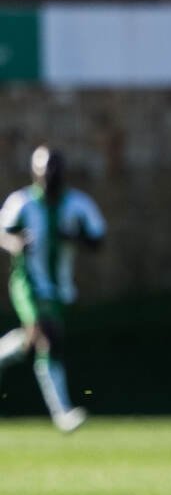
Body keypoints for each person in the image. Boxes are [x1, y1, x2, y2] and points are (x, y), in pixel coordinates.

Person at [0, 146, 106, 433]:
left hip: (59, 287)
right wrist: (15, 244)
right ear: (35, 174)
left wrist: (74, 236)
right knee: (49, 334)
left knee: (33, 339)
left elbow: (98, 239)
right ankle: (62, 413)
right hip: (28, 282)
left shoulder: (77, 204)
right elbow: (3, 232)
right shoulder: (21, 203)